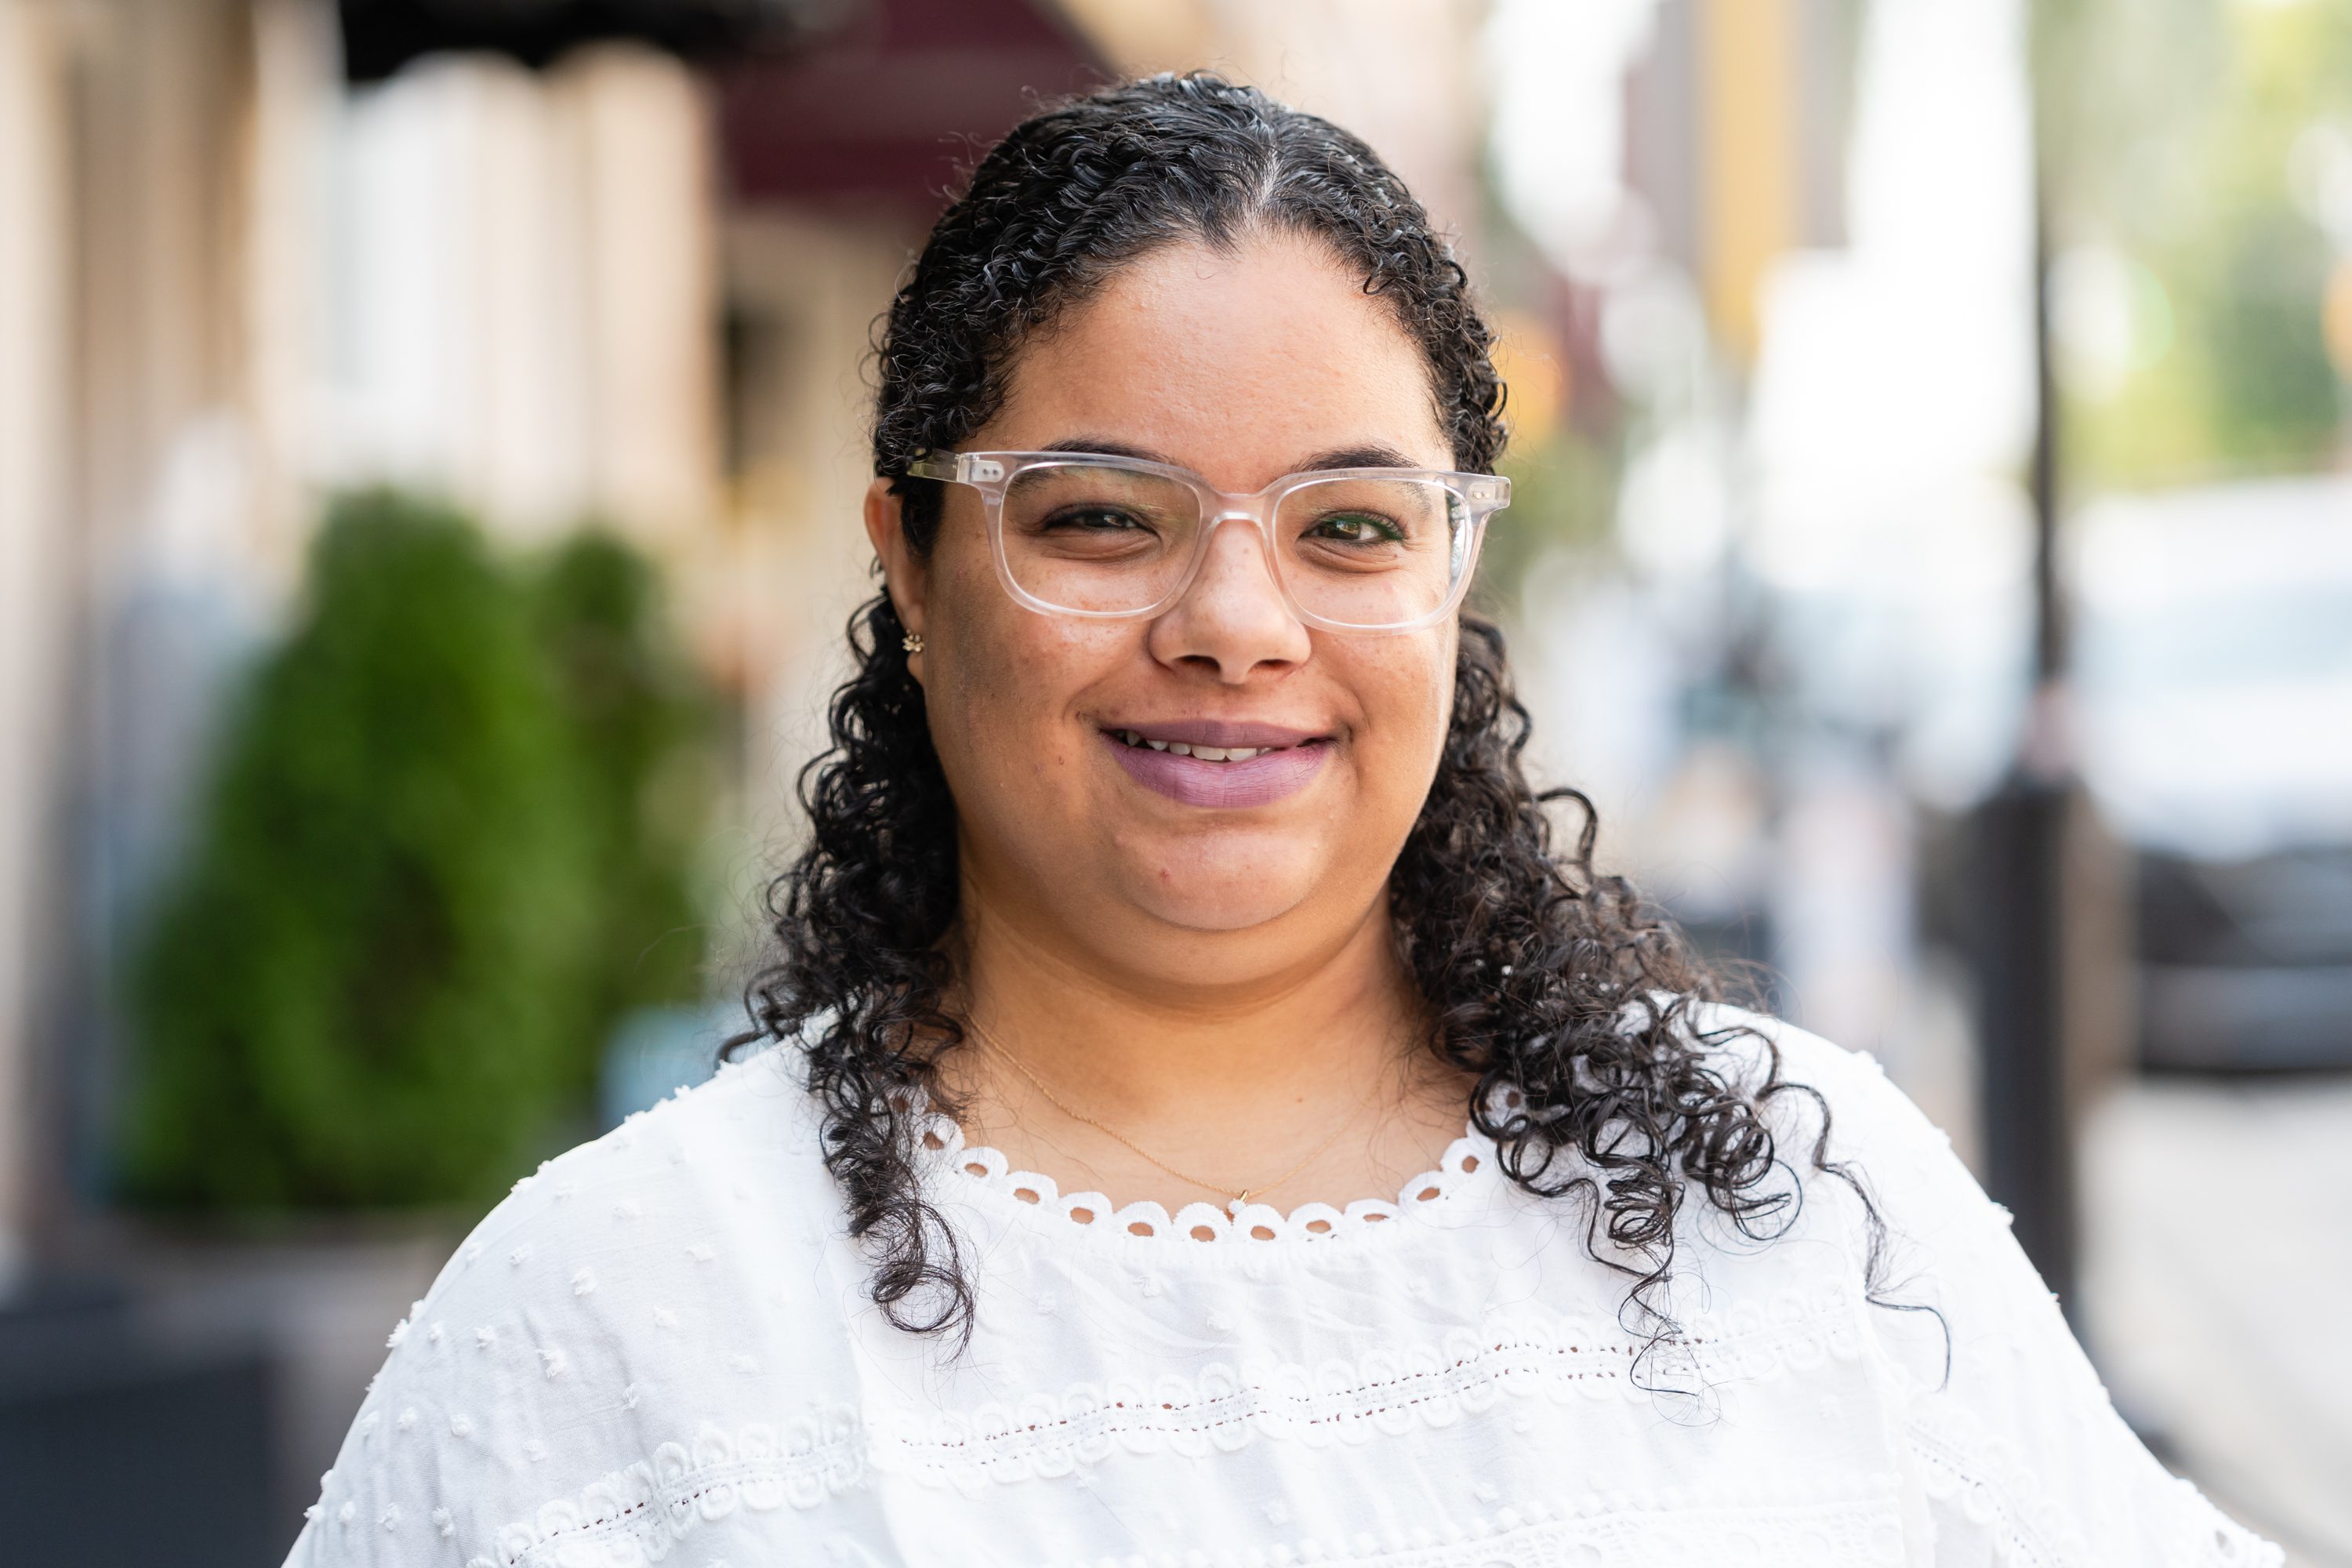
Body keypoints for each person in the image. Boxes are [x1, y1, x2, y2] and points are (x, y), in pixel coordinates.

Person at [287, 75, 2275, 1568]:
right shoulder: (620, 1327)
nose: (1236, 623)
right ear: (910, 556)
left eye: (1348, 526)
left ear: (1453, 578)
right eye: (1099, 514)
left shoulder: (1806, 1214)